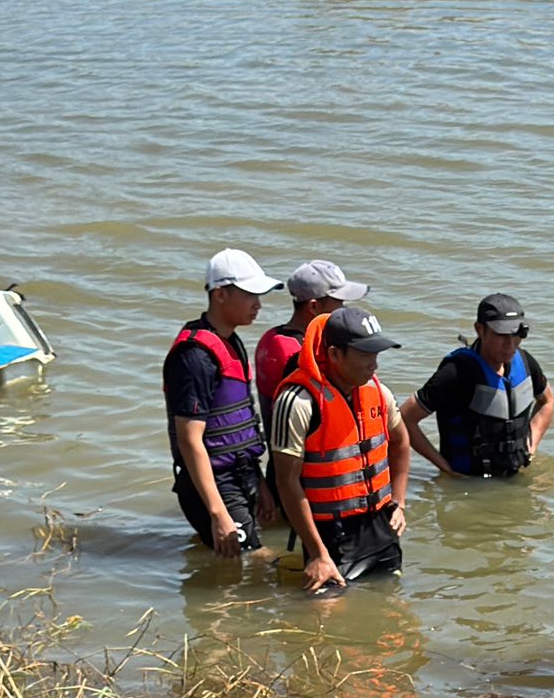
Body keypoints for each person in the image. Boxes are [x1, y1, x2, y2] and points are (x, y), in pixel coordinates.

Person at [269, 306, 411, 592]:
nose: (374, 364)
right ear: (334, 354)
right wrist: (318, 553)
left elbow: (401, 443)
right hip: (332, 537)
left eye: (377, 354)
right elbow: (286, 482)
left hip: (381, 530)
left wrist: (399, 501)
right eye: (365, 354)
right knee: (329, 623)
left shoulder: (378, 393)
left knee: (392, 612)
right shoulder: (297, 402)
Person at [163, 248, 280, 560]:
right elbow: (190, 440)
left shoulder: (231, 341)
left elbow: (240, 425)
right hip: (214, 481)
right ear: (220, 295)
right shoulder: (195, 357)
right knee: (254, 560)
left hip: (241, 472)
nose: (258, 304)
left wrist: (258, 481)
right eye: (249, 294)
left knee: (249, 567)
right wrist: (217, 513)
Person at [401, 293, 554, 478]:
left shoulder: (525, 362)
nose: (510, 344)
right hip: (467, 485)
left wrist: (531, 446)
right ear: (480, 330)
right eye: (501, 335)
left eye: (517, 334)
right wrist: (445, 469)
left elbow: (547, 401)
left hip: (515, 478)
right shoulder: (457, 372)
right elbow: (405, 418)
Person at [255, 259, 370, 413]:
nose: (344, 309)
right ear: (313, 306)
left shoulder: (269, 337)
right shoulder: (302, 352)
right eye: (339, 302)